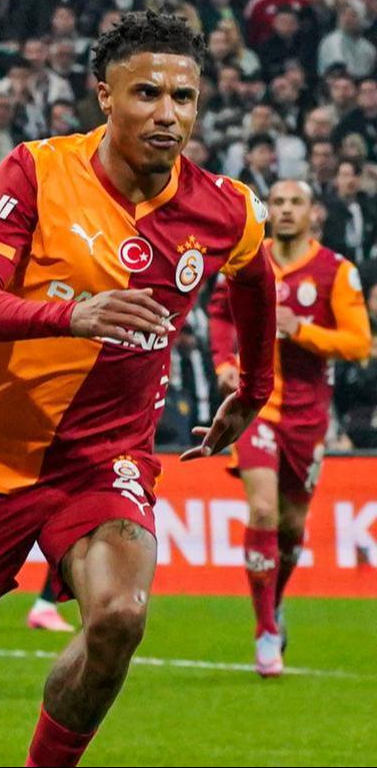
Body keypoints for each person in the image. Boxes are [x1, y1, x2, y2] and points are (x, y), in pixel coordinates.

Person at [0, 10, 277, 768]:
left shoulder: (224, 207)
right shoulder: (37, 171)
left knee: (119, 615)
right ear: (104, 97)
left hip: (104, 464)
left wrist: (255, 384)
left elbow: (254, 276)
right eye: (147, 93)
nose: (167, 114)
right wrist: (71, 313)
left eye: (184, 98)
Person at [209, 179, 370, 677]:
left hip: (308, 415)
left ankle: (273, 601)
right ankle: (265, 633)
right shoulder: (245, 260)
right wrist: (223, 363)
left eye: (294, 203)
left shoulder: (335, 272)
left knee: (292, 526)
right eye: (276, 202)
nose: (283, 211)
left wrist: (303, 330)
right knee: (262, 509)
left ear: (313, 213)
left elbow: (359, 344)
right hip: (258, 408)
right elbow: (218, 314)